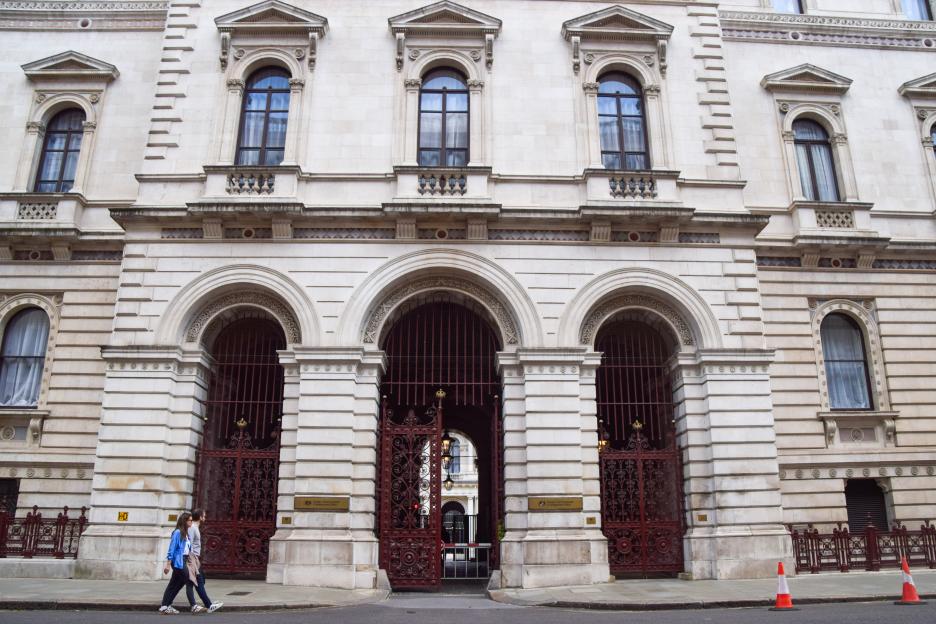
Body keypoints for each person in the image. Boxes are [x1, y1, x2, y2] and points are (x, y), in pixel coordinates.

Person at [186, 508, 223, 614]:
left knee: (198, 581)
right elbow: (189, 544)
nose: (205, 517)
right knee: (197, 582)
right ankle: (208, 605)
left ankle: (207, 604)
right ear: (200, 517)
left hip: (195, 559)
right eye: (204, 516)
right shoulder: (192, 528)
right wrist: (192, 560)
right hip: (192, 559)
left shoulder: (195, 527)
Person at [159, 512, 194, 615]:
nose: (191, 522)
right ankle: (193, 605)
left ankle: (165, 606)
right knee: (187, 578)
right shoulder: (177, 532)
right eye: (190, 520)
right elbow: (172, 548)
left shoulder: (186, 533)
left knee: (174, 583)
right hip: (178, 561)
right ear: (185, 521)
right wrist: (168, 564)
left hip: (184, 560)